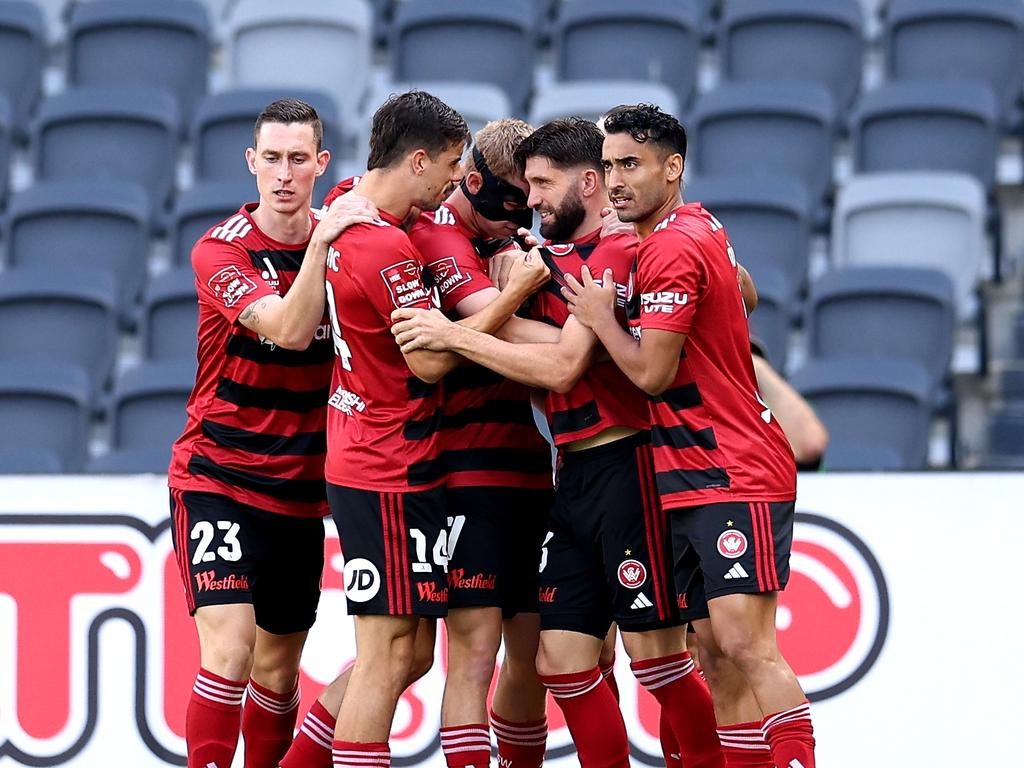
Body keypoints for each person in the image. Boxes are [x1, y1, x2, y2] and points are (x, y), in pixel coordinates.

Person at [392, 118, 723, 768]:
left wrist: (457, 334)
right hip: (570, 478)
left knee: (657, 660)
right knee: (561, 662)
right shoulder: (552, 260)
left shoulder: (624, 252)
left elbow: (564, 365)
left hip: (632, 470)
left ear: (590, 181)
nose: (531, 199)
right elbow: (563, 349)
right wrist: (513, 309)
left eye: (543, 183)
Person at [562, 104, 816, 768]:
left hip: (730, 465)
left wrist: (598, 315)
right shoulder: (694, 224)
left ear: (672, 168)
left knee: (745, 646)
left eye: (631, 165)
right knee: (709, 650)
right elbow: (746, 292)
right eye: (609, 165)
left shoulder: (671, 244)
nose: (615, 181)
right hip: (688, 472)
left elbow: (649, 374)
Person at [321, 91, 547, 768]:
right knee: (393, 656)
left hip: (394, 458)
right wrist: (512, 294)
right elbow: (427, 356)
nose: (452, 183)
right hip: (388, 460)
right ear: (419, 160)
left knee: (412, 654)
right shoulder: (391, 244)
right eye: (450, 167)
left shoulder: (349, 209)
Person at [167, 98, 376, 768]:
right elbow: (286, 329)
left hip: (299, 494)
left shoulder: (348, 245)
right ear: (251, 164)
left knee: (278, 674)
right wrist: (322, 240)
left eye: (298, 159)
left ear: (321, 164)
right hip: (219, 477)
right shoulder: (221, 250)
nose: (284, 173)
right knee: (230, 649)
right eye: (272, 159)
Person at [407, 119, 553, 768]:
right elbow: (482, 332)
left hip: (528, 461)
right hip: (462, 465)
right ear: (473, 182)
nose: (514, 221)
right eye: (506, 205)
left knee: (535, 653)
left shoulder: (514, 238)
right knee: (471, 654)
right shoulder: (438, 232)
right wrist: (520, 287)